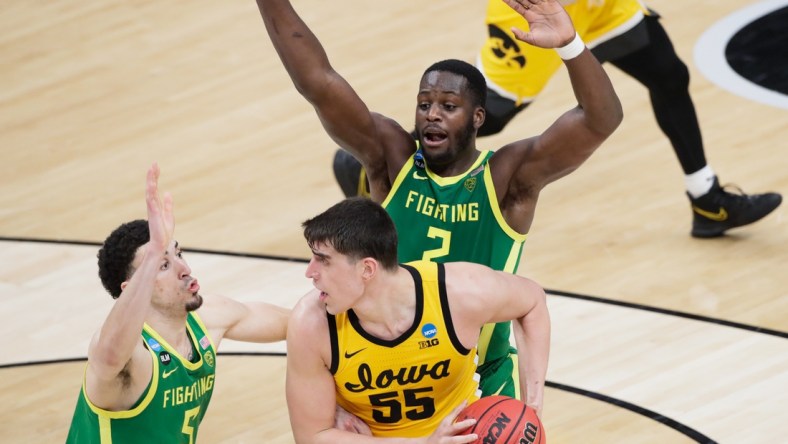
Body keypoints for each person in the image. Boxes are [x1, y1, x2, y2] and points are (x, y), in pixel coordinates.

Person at [256, 0, 620, 402]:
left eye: (448, 107)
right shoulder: (392, 159)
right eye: (425, 104)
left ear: (478, 117)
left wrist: (570, 45)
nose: (432, 115)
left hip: (479, 375)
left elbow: (600, 120)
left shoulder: (505, 178)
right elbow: (318, 82)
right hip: (388, 368)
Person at [332, 0, 782, 238]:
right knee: (485, 116)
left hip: (603, 8)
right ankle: (385, 164)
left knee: (668, 74)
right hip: (537, 8)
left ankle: (706, 199)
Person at [286, 197, 550, 441]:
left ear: (367, 268)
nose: (310, 272)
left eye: (323, 260)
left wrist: (533, 405)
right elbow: (313, 436)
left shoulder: (457, 294)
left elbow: (532, 301)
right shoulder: (312, 323)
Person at [66, 164, 290, 443]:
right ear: (133, 288)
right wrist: (151, 257)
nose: (184, 268)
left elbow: (296, 324)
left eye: (178, 253)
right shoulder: (134, 356)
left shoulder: (208, 319)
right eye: (163, 265)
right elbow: (110, 355)